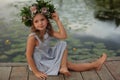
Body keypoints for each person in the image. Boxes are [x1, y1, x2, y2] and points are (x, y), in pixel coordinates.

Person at [21, 0, 107, 79]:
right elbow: (28, 56)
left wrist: (57, 20)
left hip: (48, 56)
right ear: (33, 24)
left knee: (62, 43)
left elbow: (63, 36)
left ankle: (64, 67)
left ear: (47, 20)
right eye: (36, 21)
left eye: (42, 19)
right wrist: (36, 72)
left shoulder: (48, 31)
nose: (40, 23)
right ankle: (95, 64)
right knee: (70, 65)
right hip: (40, 63)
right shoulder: (33, 37)